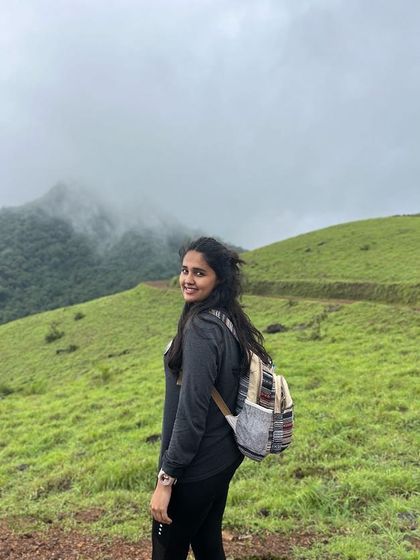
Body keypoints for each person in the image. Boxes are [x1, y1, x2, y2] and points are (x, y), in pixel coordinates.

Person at [150, 237, 272, 560]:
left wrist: (167, 479)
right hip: (222, 458)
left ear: (218, 278)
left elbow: (192, 412)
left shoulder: (203, 328)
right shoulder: (226, 318)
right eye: (184, 270)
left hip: (194, 468)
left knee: (166, 553)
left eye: (199, 273)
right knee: (207, 544)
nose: (188, 279)